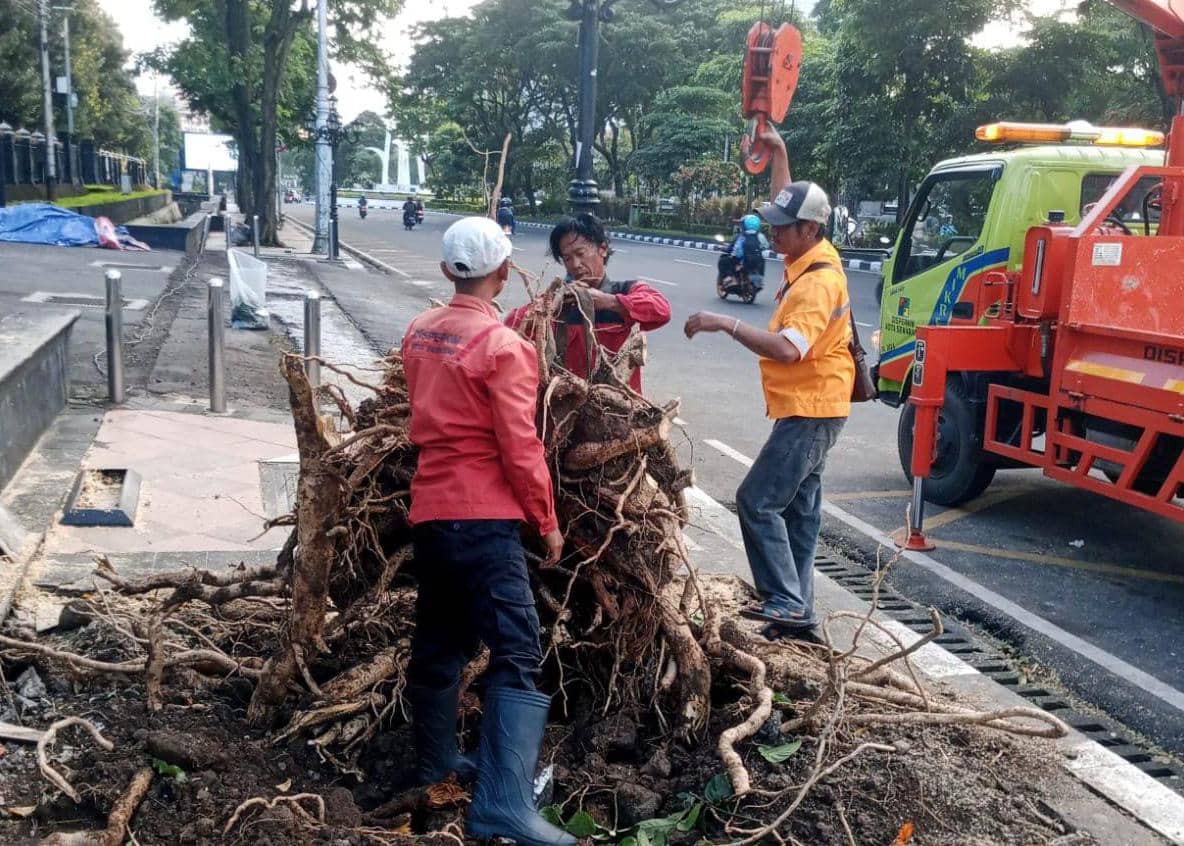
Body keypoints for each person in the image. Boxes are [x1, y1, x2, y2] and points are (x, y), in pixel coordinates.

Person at [401, 216, 575, 846]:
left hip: (431, 515)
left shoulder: (419, 333)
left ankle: (437, 764)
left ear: (449, 271)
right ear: (503, 273)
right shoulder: (506, 347)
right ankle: (502, 806)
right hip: (484, 520)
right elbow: (520, 445)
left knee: (442, 642)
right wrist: (547, 523)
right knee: (519, 651)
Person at [684, 124, 853, 640]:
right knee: (799, 514)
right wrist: (780, 151)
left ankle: (784, 601)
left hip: (810, 410)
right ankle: (797, 612)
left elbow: (787, 348)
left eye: (782, 226)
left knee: (757, 500)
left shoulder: (817, 283)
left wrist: (725, 323)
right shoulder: (812, 254)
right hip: (819, 405)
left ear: (808, 230)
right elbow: (794, 200)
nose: (771, 232)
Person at [506, 214, 671, 392]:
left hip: (617, 408)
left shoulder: (624, 291)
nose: (575, 264)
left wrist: (610, 302)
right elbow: (510, 325)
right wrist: (548, 308)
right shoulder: (559, 301)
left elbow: (662, 310)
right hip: (567, 406)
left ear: (603, 249)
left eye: (580, 253)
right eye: (567, 258)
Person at [718, 213, 769, 291]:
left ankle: (730, 278)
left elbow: (735, 250)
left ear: (744, 225)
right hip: (757, 262)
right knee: (762, 261)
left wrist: (727, 251)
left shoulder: (741, 236)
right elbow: (766, 246)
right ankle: (760, 280)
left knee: (723, 261)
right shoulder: (761, 236)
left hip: (743, 261)